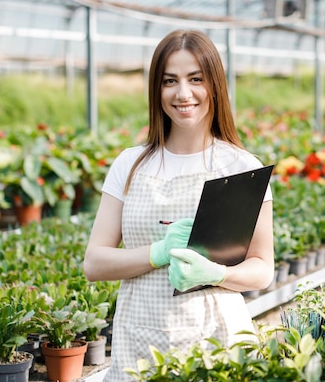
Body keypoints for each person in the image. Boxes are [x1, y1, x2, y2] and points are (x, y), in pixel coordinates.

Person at [83, 29, 275, 381]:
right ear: (157, 89)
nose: (183, 93)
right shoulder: (130, 165)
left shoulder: (240, 167)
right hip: (139, 337)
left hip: (215, 338)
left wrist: (219, 274)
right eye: (170, 80)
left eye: (195, 79)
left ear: (214, 85)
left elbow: (263, 268)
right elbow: (94, 263)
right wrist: (158, 252)